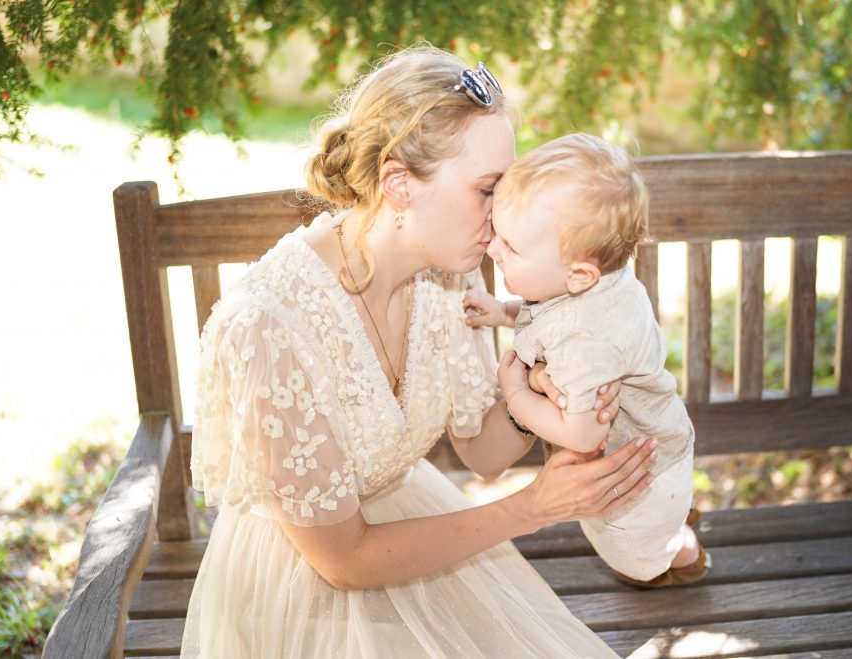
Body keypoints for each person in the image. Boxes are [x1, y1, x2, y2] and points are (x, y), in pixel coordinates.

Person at [181, 45, 657, 658]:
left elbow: (482, 450)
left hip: (412, 527)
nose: (503, 214)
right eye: (487, 190)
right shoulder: (266, 329)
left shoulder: (451, 276)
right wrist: (535, 506)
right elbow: (344, 562)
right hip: (302, 581)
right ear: (399, 185)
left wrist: (538, 388)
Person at [463, 133, 709, 589]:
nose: (493, 247)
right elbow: (550, 314)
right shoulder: (594, 281)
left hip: (632, 480)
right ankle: (674, 512)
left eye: (511, 246)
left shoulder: (586, 339)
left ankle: (682, 548)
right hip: (662, 451)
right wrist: (503, 312)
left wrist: (516, 394)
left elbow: (582, 432)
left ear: (578, 274)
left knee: (636, 563)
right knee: (654, 516)